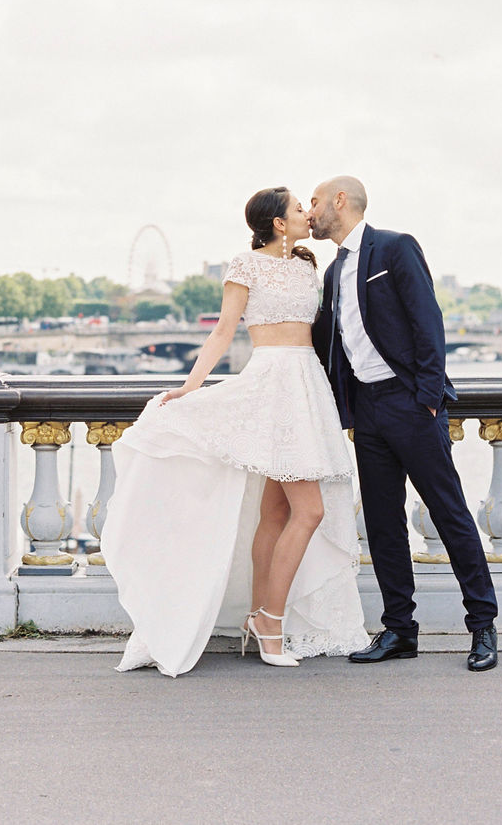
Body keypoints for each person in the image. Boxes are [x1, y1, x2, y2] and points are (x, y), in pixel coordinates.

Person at [100, 187, 367, 677]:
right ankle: (270, 621)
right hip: (272, 385)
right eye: (296, 209)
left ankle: (259, 615)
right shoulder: (244, 266)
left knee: (277, 510)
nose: (308, 213)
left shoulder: (309, 266)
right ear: (278, 224)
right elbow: (223, 331)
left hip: (308, 384)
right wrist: (189, 387)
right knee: (309, 511)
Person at [308, 176, 498, 672]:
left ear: (340, 202)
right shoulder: (332, 272)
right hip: (367, 410)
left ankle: (482, 627)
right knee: (383, 523)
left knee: (449, 513)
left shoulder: (394, 248)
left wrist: (428, 398)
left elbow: (427, 321)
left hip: (411, 404)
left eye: (315, 202)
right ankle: (399, 631)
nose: (311, 211)